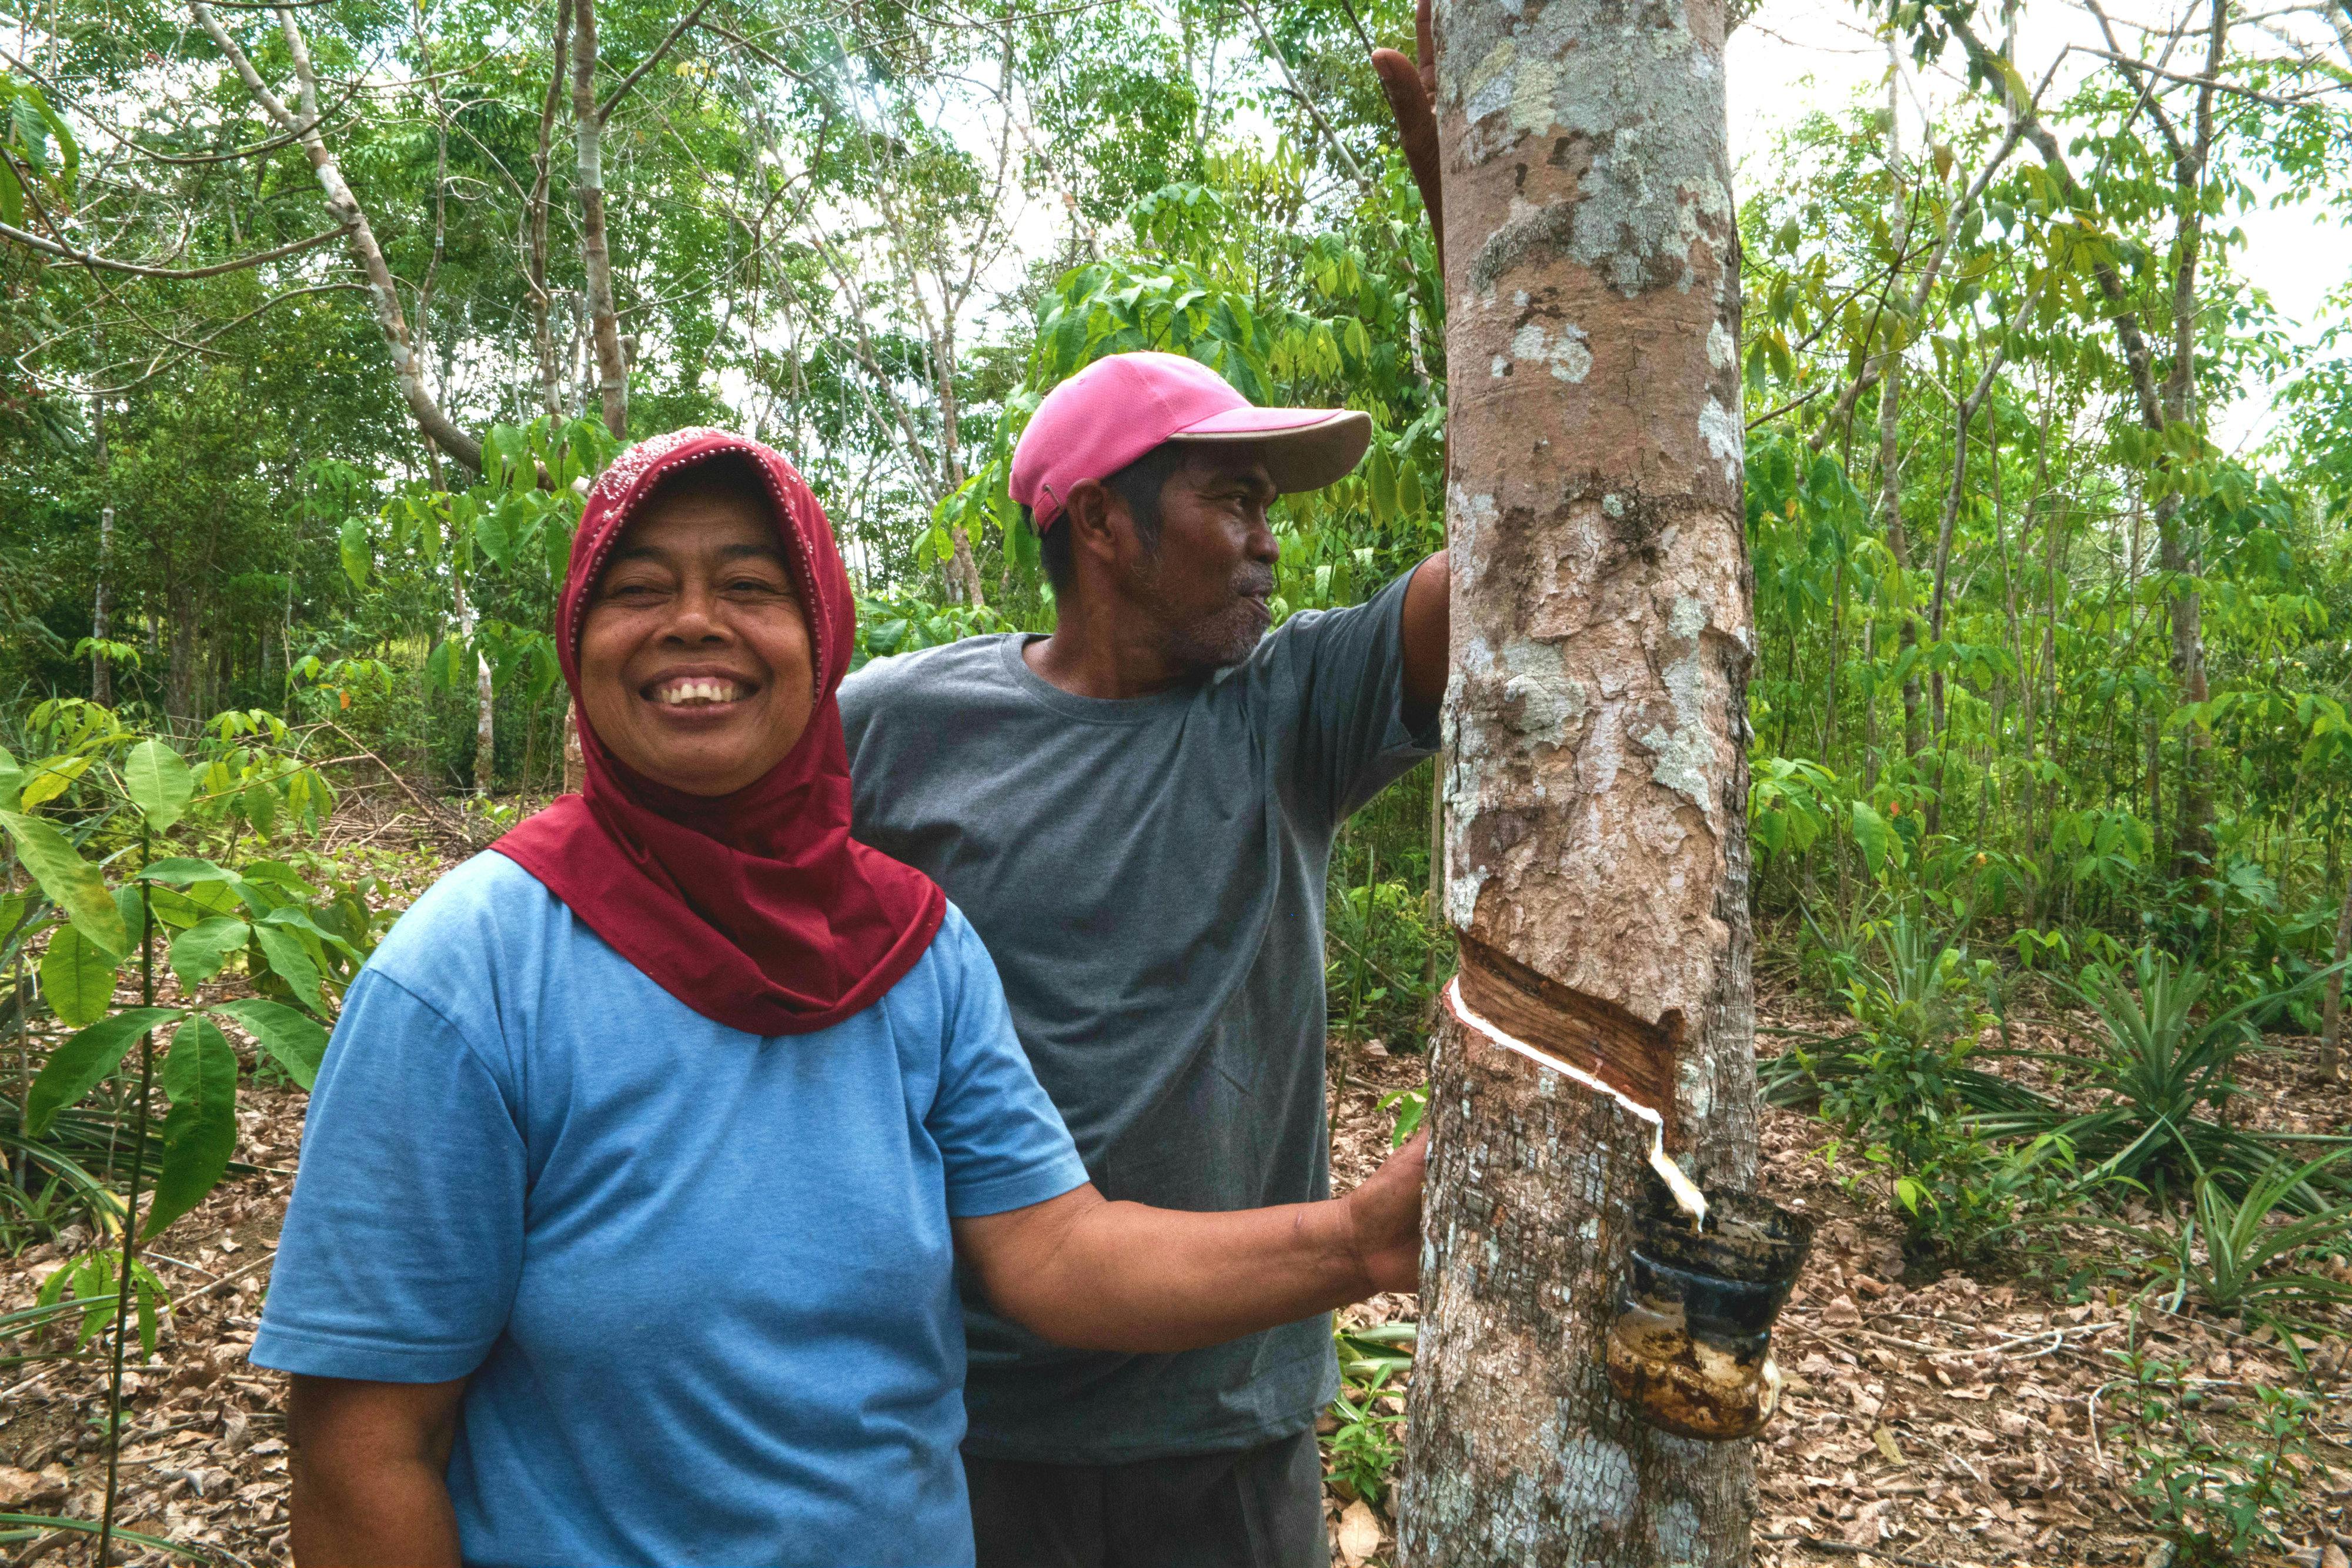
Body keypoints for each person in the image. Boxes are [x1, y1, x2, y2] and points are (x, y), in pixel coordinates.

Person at [250, 427, 1424, 1568]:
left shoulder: (912, 950)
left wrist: (1362, 1239)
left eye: (752, 585)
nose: (696, 620)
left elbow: (1056, 1251)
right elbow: (362, 1452)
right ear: (578, 638)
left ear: (819, 639)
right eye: (640, 587)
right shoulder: (469, 972)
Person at [841, 353, 1449, 1567]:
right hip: (963, 1415)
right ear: (1102, 520)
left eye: (1266, 507)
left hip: (1219, 1422)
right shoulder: (895, 726)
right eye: (1231, 499)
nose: (1266, 542)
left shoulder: (1285, 708)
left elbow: (1509, 564)